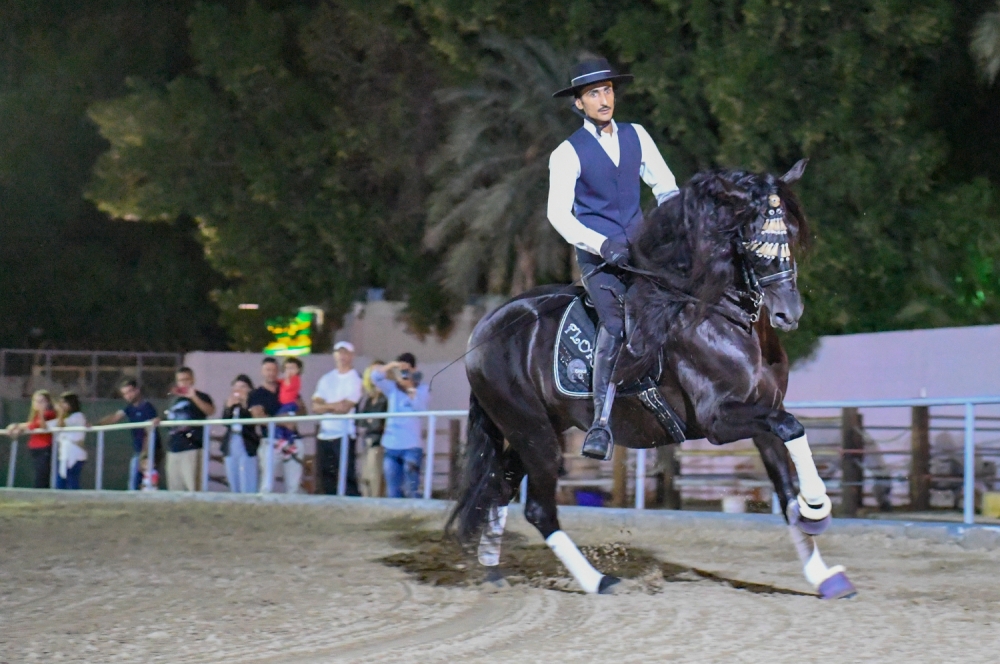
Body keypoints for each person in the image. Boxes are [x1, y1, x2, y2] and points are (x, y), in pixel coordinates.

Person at [547, 57, 679, 460]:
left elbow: (666, 185)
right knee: (616, 324)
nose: (603, 99)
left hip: (640, 251)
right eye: (593, 94)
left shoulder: (637, 135)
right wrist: (599, 244)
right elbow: (557, 214)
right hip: (599, 260)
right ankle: (601, 424)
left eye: (607, 90)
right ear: (579, 104)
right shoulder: (567, 153)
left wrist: (669, 226)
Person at [371, 353, 430, 498]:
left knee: (412, 490)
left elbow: (421, 407)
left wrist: (410, 387)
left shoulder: (423, 389)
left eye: (407, 370)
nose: (404, 374)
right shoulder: (391, 388)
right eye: (401, 370)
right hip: (391, 446)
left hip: (411, 446)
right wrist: (391, 366)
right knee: (393, 491)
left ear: (415, 369)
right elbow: (375, 377)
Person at [311, 341, 362, 496]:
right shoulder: (326, 379)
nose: (342, 356)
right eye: (339, 353)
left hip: (344, 433)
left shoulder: (355, 379)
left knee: (347, 477)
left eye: (345, 353)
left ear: (352, 356)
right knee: (327, 477)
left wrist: (326, 405)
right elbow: (315, 406)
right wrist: (333, 406)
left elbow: (345, 408)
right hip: (325, 434)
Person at [97, 379, 159, 490]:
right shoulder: (129, 408)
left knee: (147, 484)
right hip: (139, 452)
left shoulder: (147, 407)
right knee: (135, 484)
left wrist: (144, 455)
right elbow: (115, 418)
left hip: (150, 452)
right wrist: (95, 425)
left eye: (130, 391)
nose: (128, 396)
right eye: (125, 394)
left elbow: (149, 432)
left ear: (137, 390)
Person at [163, 367, 215, 491]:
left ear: (192, 380)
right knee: (175, 488)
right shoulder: (173, 400)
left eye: (186, 379)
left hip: (192, 447)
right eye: (180, 380)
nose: (184, 383)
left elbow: (210, 411)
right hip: (174, 448)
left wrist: (194, 397)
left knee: (194, 487)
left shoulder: (201, 396)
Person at [5, 389, 57, 488]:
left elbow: (41, 426)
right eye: (36, 401)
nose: (37, 403)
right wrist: (15, 426)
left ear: (47, 402)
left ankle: (41, 495)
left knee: (42, 475)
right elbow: (31, 424)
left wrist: (41, 412)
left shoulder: (49, 414)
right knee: (39, 473)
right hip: (35, 448)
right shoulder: (36, 415)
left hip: (44, 447)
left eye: (41, 401)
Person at [248, 357, 284, 492]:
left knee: (294, 483)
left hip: (290, 440)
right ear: (262, 371)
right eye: (268, 370)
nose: (271, 373)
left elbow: (300, 411)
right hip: (270, 440)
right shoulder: (256, 394)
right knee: (267, 483)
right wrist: (285, 419)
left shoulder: (285, 389)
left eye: (274, 370)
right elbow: (259, 418)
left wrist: (272, 418)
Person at [222, 374, 259, 493]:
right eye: (236, 386)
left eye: (243, 386)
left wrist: (245, 405)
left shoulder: (253, 404)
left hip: (246, 442)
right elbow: (225, 422)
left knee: (247, 477)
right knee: (233, 475)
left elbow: (252, 423)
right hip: (232, 440)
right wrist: (228, 408)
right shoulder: (231, 403)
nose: (239, 390)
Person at [358, 363, 388, 497]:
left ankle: (375, 501)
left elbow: (380, 422)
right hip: (367, 441)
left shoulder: (386, 397)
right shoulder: (369, 399)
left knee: (374, 475)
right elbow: (362, 421)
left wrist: (372, 422)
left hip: (378, 442)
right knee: (364, 476)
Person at [50, 392, 87, 490]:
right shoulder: (68, 418)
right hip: (65, 455)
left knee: (72, 481)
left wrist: (60, 413)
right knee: (61, 482)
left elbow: (61, 425)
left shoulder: (78, 416)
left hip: (74, 455)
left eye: (64, 403)